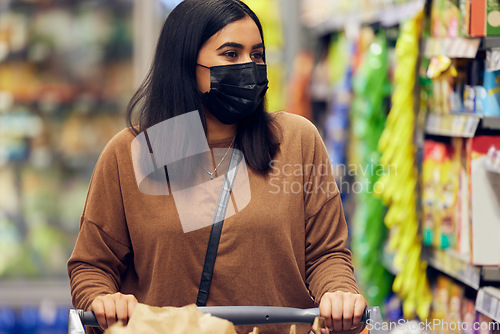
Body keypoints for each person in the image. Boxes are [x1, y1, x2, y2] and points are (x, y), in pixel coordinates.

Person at [67, 0, 367, 333]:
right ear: (185, 65)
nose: (249, 67)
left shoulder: (297, 141)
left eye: (257, 55)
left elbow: (327, 254)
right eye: (230, 54)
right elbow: (91, 266)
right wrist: (102, 299)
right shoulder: (132, 154)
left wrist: (339, 293)